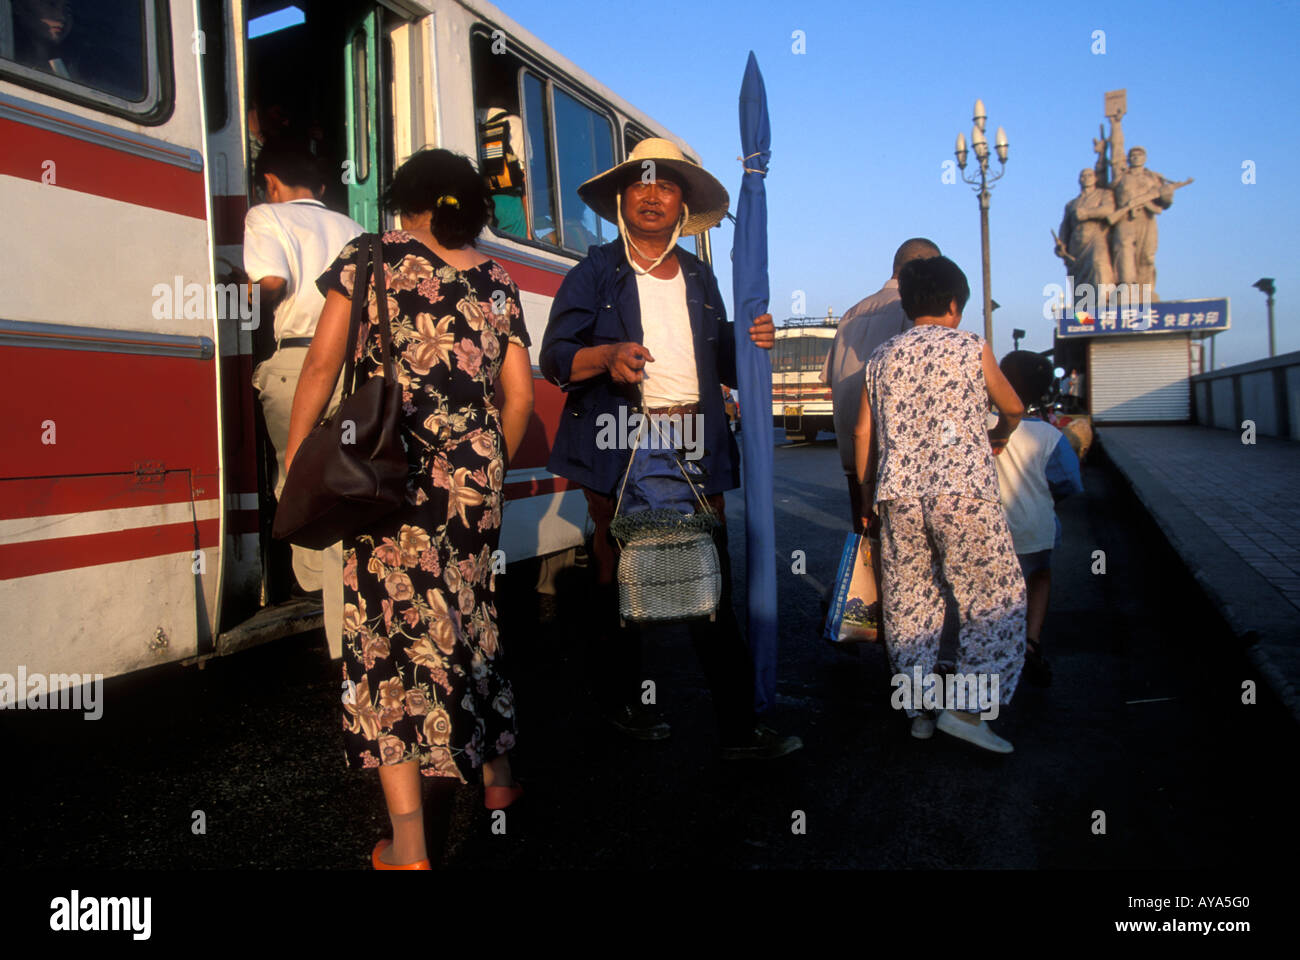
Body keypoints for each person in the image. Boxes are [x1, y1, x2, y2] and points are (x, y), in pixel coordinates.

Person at [286, 148, 534, 869]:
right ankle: (498, 781)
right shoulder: (496, 278)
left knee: (391, 649)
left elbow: (322, 364)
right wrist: (486, 467)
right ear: (470, 207)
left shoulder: (369, 256)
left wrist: (299, 461)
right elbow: (517, 396)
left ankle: (411, 846)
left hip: (387, 482)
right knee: (471, 621)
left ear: (406, 198)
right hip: (474, 486)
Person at [539, 138, 800, 760]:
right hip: (620, 441)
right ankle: (620, 702)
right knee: (614, 574)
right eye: (640, 184)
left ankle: (739, 727)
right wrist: (604, 356)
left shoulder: (703, 277)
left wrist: (754, 340)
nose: (651, 194)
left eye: (666, 185)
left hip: (695, 441)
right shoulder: (594, 271)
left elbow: (727, 364)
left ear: (683, 205)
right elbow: (555, 359)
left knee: (712, 582)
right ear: (622, 200)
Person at [853, 256, 1026, 753]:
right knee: (992, 598)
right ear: (954, 305)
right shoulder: (971, 346)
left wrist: (868, 496)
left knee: (910, 603)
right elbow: (1012, 406)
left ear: (907, 306)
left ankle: (919, 712)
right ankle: (968, 712)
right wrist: (1002, 432)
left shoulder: (882, 356)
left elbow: (864, 432)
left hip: (899, 494)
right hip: (964, 492)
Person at [245, 139, 363, 659]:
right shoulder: (355, 228)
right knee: (345, 482)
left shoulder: (265, 214)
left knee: (297, 480)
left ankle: (319, 597)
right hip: (354, 367)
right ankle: (348, 607)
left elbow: (271, 282)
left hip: (299, 360)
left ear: (270, 182)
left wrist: (230, 298)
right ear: (320, 188)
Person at [822, 238, 941, 534]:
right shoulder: (913, 312)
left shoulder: (851, 313)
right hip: (896, 458)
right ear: (925, 270)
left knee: (865, 539)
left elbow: (829, 379)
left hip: (853, 454)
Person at [990, 352, 1084, 687]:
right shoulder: (1049, 435)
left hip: (988, 531)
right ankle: (1031, 641)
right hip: (1035, 528)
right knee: (1039, 578)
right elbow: (1069, 482)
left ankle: (991, 644)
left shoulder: (982, 427)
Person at [1110, 146, 1175, 297]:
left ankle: (1145, 290)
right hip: (1125, 219)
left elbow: (1165, 203)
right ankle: (1125, 286)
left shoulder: (1154, 178)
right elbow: (1115, 155)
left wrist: (1166, 196)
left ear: (1145, 158)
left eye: (1139, 155)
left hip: (1147, 219)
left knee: (1147, 254)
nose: (1136, 157)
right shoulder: (1121, 177)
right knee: (1124, 249)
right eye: (1132, 155)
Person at [1055, 168, 1115, 291]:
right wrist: (1061, 246)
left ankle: (1103, 302)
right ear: (1079, 180)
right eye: (1083, 176)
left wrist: (1087, 214)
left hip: (1096, 237)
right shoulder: (1071, 204)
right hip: (1076, 245)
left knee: (1098, 264)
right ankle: (1083, 306)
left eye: (1089, 175)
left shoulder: (1103, 194)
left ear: (1095, 178)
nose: (1086, 178)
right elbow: (1065, 227)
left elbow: (1109, 209)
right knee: (1078, 281)